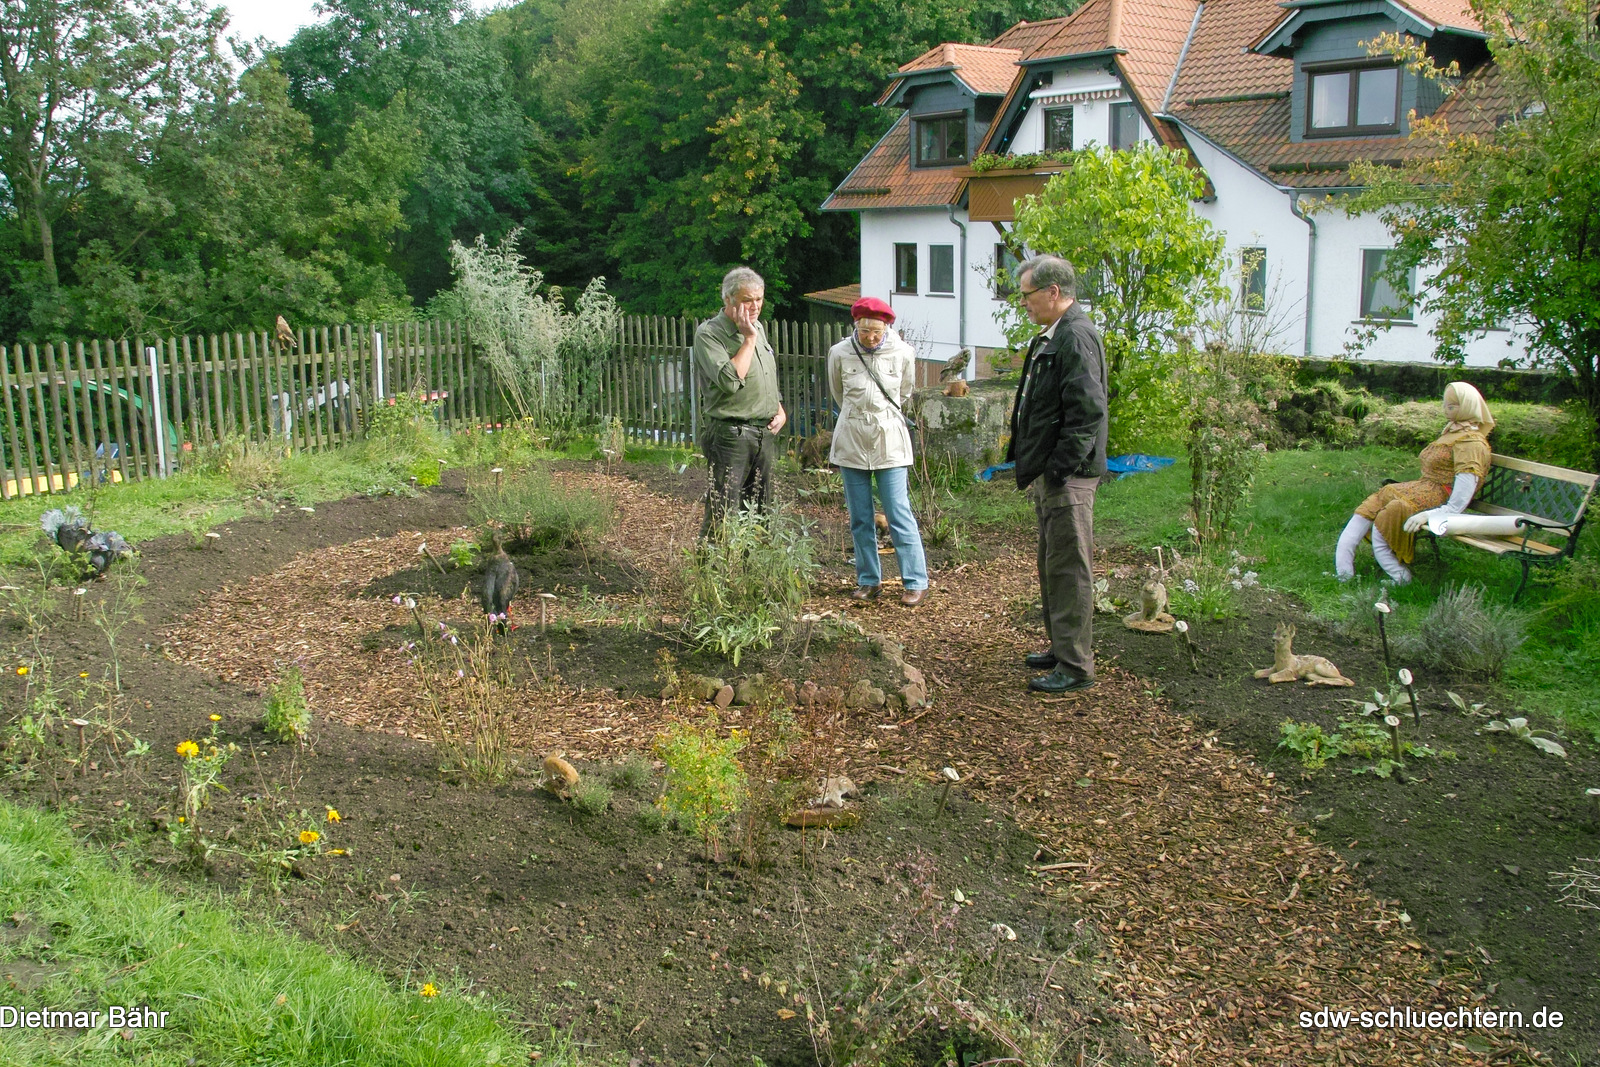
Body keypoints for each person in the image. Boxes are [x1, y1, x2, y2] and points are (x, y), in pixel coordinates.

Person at [1006, 255, 1108, 694]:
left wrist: (1060, 470)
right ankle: (1061, 647)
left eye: (1027, 295)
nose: (1023, 303)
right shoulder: (1053, 335)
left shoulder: (1075, 337)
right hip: (1054, 474)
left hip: (1070, 476)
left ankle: (1075, 666)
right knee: (1052, 563)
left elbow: (1087, 412)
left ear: (1053, 292)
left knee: (1069, 569)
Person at [1335, 381, 1494, 585]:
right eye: (1445, 405)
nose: (1446, 410)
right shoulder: (1452, 433)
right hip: (1423, 486)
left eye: (1452, 406)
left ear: (1468, 407)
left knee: (1394, 509)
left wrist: (1430, 514)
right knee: (1377, 500)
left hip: (1439, 496)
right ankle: (1343, 573)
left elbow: (1460, 498)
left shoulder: (1471, 444)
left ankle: (1400, 577)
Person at [827, 297, 930, 607]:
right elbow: (838, 393)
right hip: (852, 440)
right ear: (855, 326)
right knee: (860, 517)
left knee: (898, 513)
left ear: (887, 326)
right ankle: (868, 580)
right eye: (864, 330)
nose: (870, 337)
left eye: (876, 330)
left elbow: (905, 392)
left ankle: (915, 581)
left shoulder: (902, 353)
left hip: (890, 442)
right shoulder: (839, 353)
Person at [692, 266, 787, 537]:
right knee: (723, 511)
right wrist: (748, 339)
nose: (755, 306)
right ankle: (712, 576)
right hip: (730, 435)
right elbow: (730, 381)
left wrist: (778, 408)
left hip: (764, 434)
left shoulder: (757, 328)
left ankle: (751, 575)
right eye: (747, 300)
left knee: (761, 513)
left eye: (759, 299)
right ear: (728, 300)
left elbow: (765, 373)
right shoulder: (710, 334)